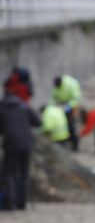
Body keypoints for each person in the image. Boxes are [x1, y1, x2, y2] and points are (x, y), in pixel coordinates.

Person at [0, 82, 40, 210]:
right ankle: (22, 204)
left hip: (11, 145)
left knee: (9, 174)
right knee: (24, 174)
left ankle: (11, 204)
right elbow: (38, 122)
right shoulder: (24, 106)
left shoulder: (2, 109)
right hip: (26, 145)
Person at [51, 74, 82, 151]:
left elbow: (76, 98)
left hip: (72, 104)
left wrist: (67, 107)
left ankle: (75, 145)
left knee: (71, 125)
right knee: (63, 123)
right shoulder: (56, 87)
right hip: (62, 104)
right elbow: (53, 97)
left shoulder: (71, 85)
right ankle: (66, 140)